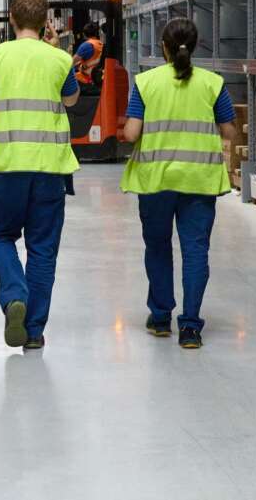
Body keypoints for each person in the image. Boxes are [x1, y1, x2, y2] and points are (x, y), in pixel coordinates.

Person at [0, 0, 80, 350]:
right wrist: (56, 50)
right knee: (43, 249)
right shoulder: (59, 60)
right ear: (45, 23)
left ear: (11, 19)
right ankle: (33, 330)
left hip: (4, 171)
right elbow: (71, 99)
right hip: (49, 170)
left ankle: (14, 295)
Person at [120, 18, 237, 350]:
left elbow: (131, 134)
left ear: (163, 47)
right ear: (195, 46)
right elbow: (229, 132)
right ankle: (190, 327)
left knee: (158, 247)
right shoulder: (213, 84)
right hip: (199, 181)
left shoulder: (145, 83)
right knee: (195, 251)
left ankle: (160, 318)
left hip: (156, 181)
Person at [72, 22, 104, 93]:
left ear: (84, 34)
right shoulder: (100, 44)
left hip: (86, 81)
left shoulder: (86, 45)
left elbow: (71, 63)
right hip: (98, 80)